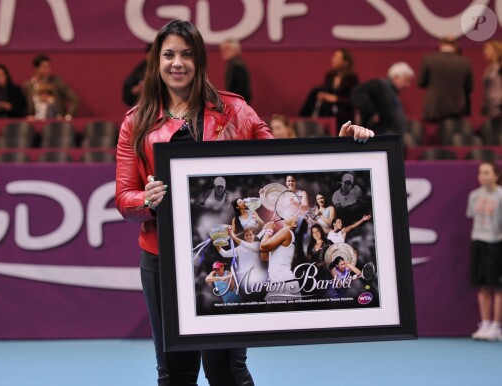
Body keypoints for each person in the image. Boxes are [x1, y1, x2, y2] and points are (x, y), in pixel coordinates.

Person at [115, 19, 373, 386]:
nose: (178, 63)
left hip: (226, 261)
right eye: (169, 54)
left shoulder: (237, 111)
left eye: (187, 55)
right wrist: (147, 199)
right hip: (163, 260)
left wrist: (341, 147)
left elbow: (284, 165)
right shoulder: (135, 122)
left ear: (200, 60)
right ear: (156, 61)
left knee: (226, 372)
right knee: (175, 374)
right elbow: (124, 197)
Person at [466, 161, 502, 341]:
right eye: (481, 173)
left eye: (487, 173)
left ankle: (496, 326)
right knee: (482, 285)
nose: (483, 176)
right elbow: (472, 215)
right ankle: (485, 323)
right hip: (478, 242)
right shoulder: (474, 196)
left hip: (496, 243)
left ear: (496, 176)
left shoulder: (501, 196)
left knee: (497, 287)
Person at [299, 48, 359, 132]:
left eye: (336, 57)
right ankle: (303, 121)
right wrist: (323, 95)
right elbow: (326, 89)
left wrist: (335, 99)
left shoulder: (352, 79)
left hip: (343, 114)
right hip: (328, 111)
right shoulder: (330, 75)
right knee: (315, 91)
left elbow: (353, 100)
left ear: (345, 62)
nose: (333, 60)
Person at [418, 36, 473, 122]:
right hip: (457, 108)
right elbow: (470, 87)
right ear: (455, 46)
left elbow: (421, 83)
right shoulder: (465, 62)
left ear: (440, 45)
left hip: (434, 107)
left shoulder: (429, 60)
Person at [351, 62, 415, 135]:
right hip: (384, 134)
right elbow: (357, 94)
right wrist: (372, 113)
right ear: (396, 77)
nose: (408, 85)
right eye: (406, 80)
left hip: (392, 135)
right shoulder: (380, 85)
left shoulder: (392, 91)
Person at [216, 226, 268, 302]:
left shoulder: (257, 244)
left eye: (250, 234)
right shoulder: (240, 248)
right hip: (244, 279)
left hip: (258, 279)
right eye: (247, 235)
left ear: (254, 235)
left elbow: (247, 245)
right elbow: (224, 254)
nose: (249, 236)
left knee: (259, 300)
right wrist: (216, 243)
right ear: (244, 237)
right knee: (247, 301)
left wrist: (233, 236)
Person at [259, 215, 303, 302]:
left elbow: (263, 247)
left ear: (294, 224)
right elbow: (264, 257)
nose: (291, 214)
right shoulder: (282, 233)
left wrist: (269, 231)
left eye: (293, 216)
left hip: (285, 282)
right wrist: (268, 232)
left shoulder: (286, 232)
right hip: (275, 283)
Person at [23, 54, 79, 120]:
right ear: (35, 68)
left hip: (56, 122)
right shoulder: (28, 86)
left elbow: (75, 98)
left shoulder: (56, 82)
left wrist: (68, 117)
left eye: (49, 67)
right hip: (35, 123)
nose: (48, 70)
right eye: (44, 67)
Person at [220, 39, 251, 103]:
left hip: (238, 105)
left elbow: (240, 91)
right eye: (222, 49)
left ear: (236, 51)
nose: (224, 52)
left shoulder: (237, 66)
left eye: (227, 49)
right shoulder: (234, 65)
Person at [481, 40, 502, 118]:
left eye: (487, 49)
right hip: (488, 105)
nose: (485, 52)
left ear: (496, 51)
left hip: (499, 106)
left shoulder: (500, 67)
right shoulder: (489, 69)